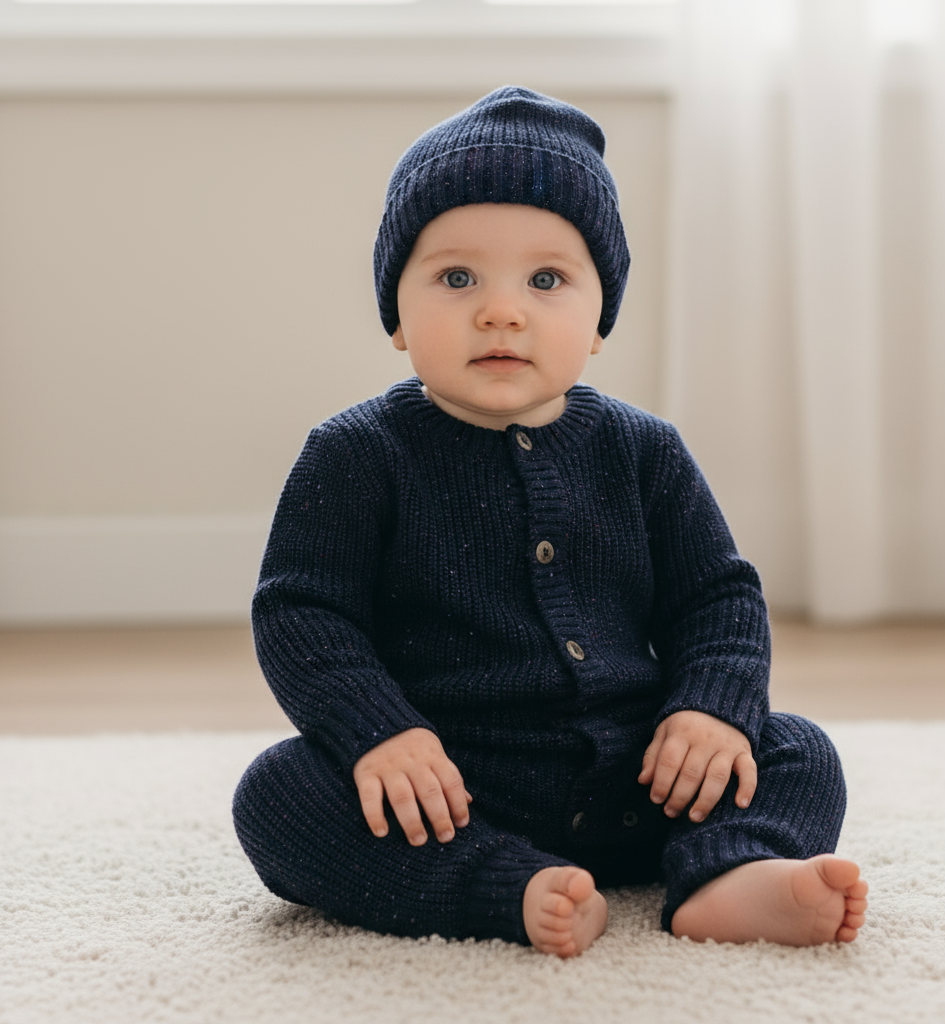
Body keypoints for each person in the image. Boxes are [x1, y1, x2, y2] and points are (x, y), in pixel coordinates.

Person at [232, 86, 868, 957]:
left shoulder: (644, 450)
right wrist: (380, 733)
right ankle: (505, 885)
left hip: (646, 777)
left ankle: (727, 872)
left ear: (598, 319)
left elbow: (715, 598)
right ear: (396, 314)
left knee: (796, 750)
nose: (501, 309)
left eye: (547, 279)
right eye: (456, 278)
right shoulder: (356, 454)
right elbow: (304, 613)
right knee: (279, 795)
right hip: (453, 789)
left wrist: (710, 709)